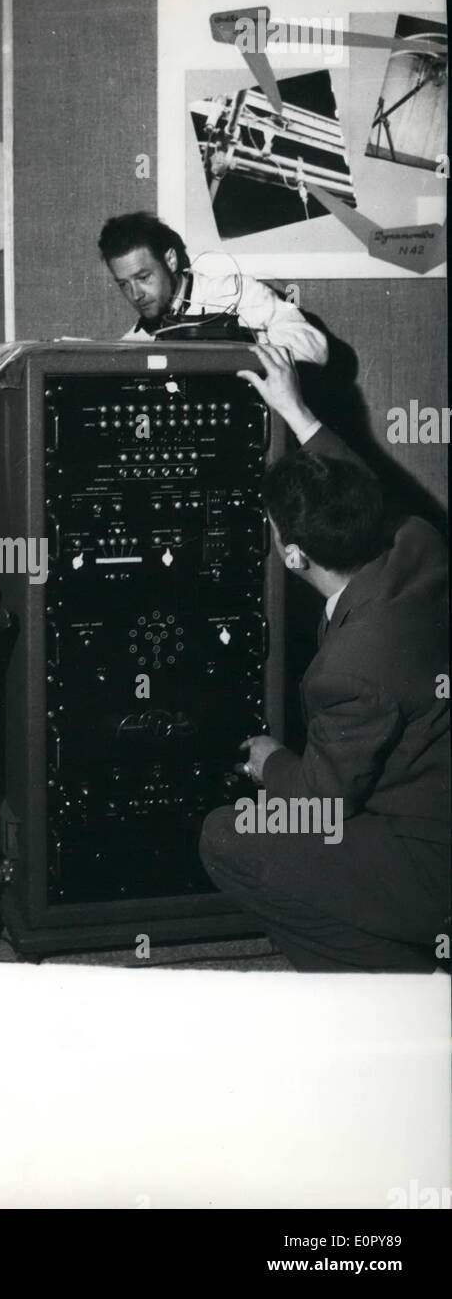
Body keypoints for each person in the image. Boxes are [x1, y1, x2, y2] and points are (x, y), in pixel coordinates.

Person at [199, 346, 450, 971]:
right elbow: (355, 485)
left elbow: (321, 805)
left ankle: (387, 985)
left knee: (227, 836)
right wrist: (296, 410)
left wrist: (269, 763)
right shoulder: (421, 546)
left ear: (293, 557)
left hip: (431, 861)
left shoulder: (351, 670)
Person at [98, 211, 328, 364]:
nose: (135, 295)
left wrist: (243, 346)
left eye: (144, 277)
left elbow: (315, 347)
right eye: (124, 285)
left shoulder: (237, 293)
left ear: (170, 260)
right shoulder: (134, 343)